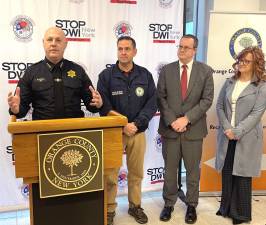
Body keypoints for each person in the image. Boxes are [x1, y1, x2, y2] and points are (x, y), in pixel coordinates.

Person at [97, 36, 157, 225]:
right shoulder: (106, 76)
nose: (123, 52)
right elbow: (103, 105)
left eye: (127, 49)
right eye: (120, 49)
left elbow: (152, 103)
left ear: (134, 51)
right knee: (110, 174)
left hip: (137, 132)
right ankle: (109, 209)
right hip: (114, 133)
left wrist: (136, 124)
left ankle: (135, 206)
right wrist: (122, 124)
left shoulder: (145, 75)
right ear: (117, 51)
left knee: (136, 173)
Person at [157, 34, 214, 224]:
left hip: (194, 130)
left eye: (186, 47)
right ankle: (169, 204)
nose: (182, 50)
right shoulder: (166, 70)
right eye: (180, 46)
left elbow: (206, 100)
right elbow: (161, 97)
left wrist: (187, 119)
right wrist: (173, 120)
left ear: (194, 50)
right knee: (170, 170)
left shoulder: (205, 71)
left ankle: (191, 205)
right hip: (170, 129)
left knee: (192, 171)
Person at [215, 46, 266, 225]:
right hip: (227, 134)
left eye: (247, 61)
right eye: (240, 60)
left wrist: (236, 131)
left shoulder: (261, 86)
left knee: (242, 175)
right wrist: (228, 128)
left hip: (247, 136)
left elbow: (257, 113)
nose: (242, 64)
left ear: (256, 64)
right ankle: (226, 208)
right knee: (227, 171)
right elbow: (220, 106)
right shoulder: (230, 82)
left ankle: (240, 214)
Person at [8, 26, 102, 119]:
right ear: (43, 43)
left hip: (74, 131)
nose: (53, 44)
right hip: (42, 131)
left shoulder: (78, 70)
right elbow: (20, 110)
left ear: (65, 44)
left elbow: (92, 107)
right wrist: (16, 109)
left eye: (58, 40)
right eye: (49, 39)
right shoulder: (31, 72)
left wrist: (98, 104)